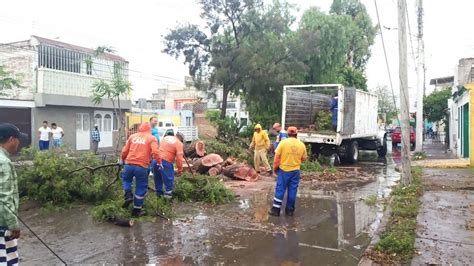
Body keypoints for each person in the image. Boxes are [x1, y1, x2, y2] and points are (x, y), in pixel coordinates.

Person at [0, 123, 28, 265]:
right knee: (7, 261)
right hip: (2, 224)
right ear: (11, 139)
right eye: (18, 139)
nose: (19, 142)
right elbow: (4, 198)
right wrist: (13, 225)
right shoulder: (4, 162)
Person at [120, 123, 160, 217]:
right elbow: (155, 152)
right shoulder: (151, 138)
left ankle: (128, 195)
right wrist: (159, 162)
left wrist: (122, 159)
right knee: (141, 187)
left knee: (126, 180)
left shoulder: (132, 137)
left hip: (129, 164)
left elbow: (124, 151)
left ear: (140, 129)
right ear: (149, 130)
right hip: (141, 167)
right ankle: (136, 210)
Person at [269, 127, 307, 217]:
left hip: (284, 170)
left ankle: (276, 210)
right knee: (293, 190)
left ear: (288, 134)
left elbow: (277, 158)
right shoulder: (301, 145)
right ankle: (290, 211)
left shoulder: (283, 143)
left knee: (280, 189)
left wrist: (275, 168)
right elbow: (304, 158)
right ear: (296, 134)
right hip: (295, 171)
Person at [155, 132, 184, 199]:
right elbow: (179, 159)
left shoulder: (166, 138)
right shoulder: (179, 143)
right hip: (165, 161)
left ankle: (158, 196)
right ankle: (167, 198)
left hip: (156, 159)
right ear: (181, 139)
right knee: (169, 179)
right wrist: (180, 170)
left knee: (158, 178)